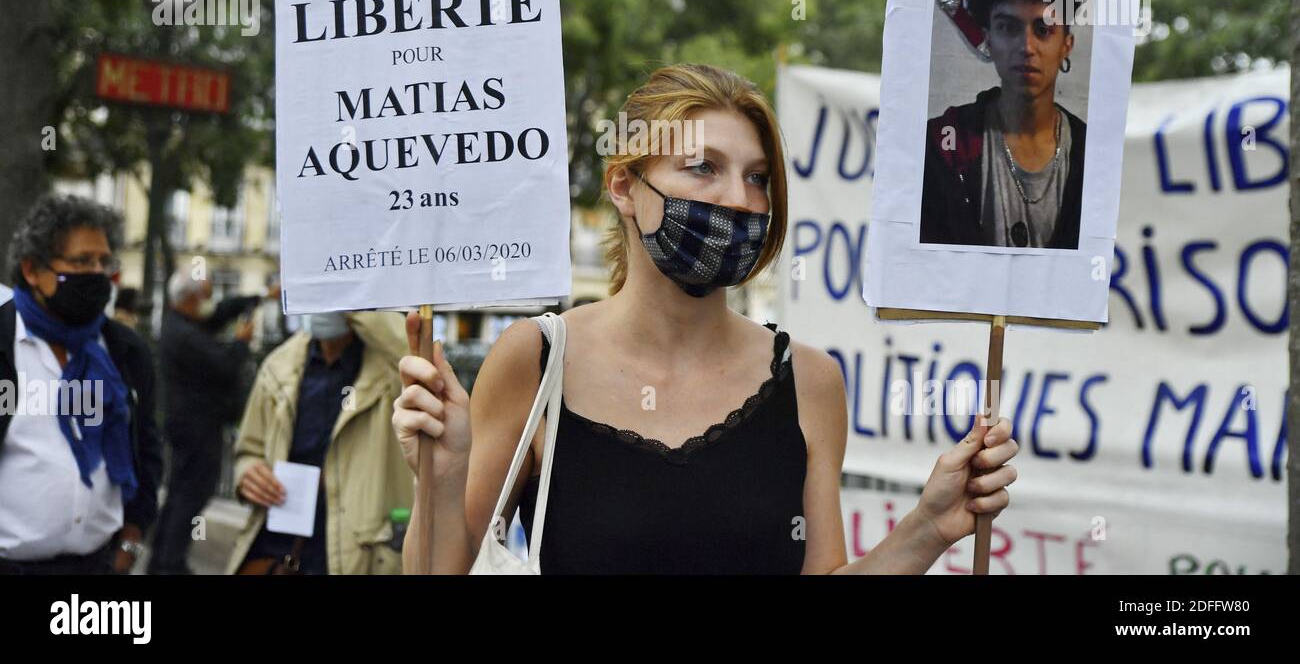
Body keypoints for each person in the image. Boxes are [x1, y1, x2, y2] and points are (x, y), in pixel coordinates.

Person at [393, 63, 1019, 574]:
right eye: (704, 168)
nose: (739, 200)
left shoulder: (809, 380)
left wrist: (928, 527)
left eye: (757, 178)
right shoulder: (535, 359)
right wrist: (441, 475)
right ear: (623, 187)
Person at [0, 193, 162, 574]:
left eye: (104, 262)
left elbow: (148, 452)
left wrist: (130, 546)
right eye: (81, 261)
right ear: (32, 270)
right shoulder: (4, 342)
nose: (96, 273)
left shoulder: (125, 351)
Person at [226, 310, 412, 575]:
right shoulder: (279, 365)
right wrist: (248, 474)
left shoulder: (390, 367)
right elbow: (248, 450)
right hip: (279, 549)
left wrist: (360, 305)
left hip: (354, 554)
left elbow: (417, 358)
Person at [921, 0, 1088, 249]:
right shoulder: (942, 144)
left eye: (1043, 30)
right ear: (989, 39)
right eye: (1008, 28)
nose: (1026, 47)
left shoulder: (1092, 152)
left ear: (1066, 45)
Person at [147, 272, 273, 574]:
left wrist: (258, 297)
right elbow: (225, 365)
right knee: (191, 495)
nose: (209, 303)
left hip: (189, 423)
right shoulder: (184, 334)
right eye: (205, 296)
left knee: (180, 492)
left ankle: (161, 560)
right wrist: (241, 343)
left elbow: (220, 313)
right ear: (190, 299)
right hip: (197, 426)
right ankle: (170, 562)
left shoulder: (182, 324)